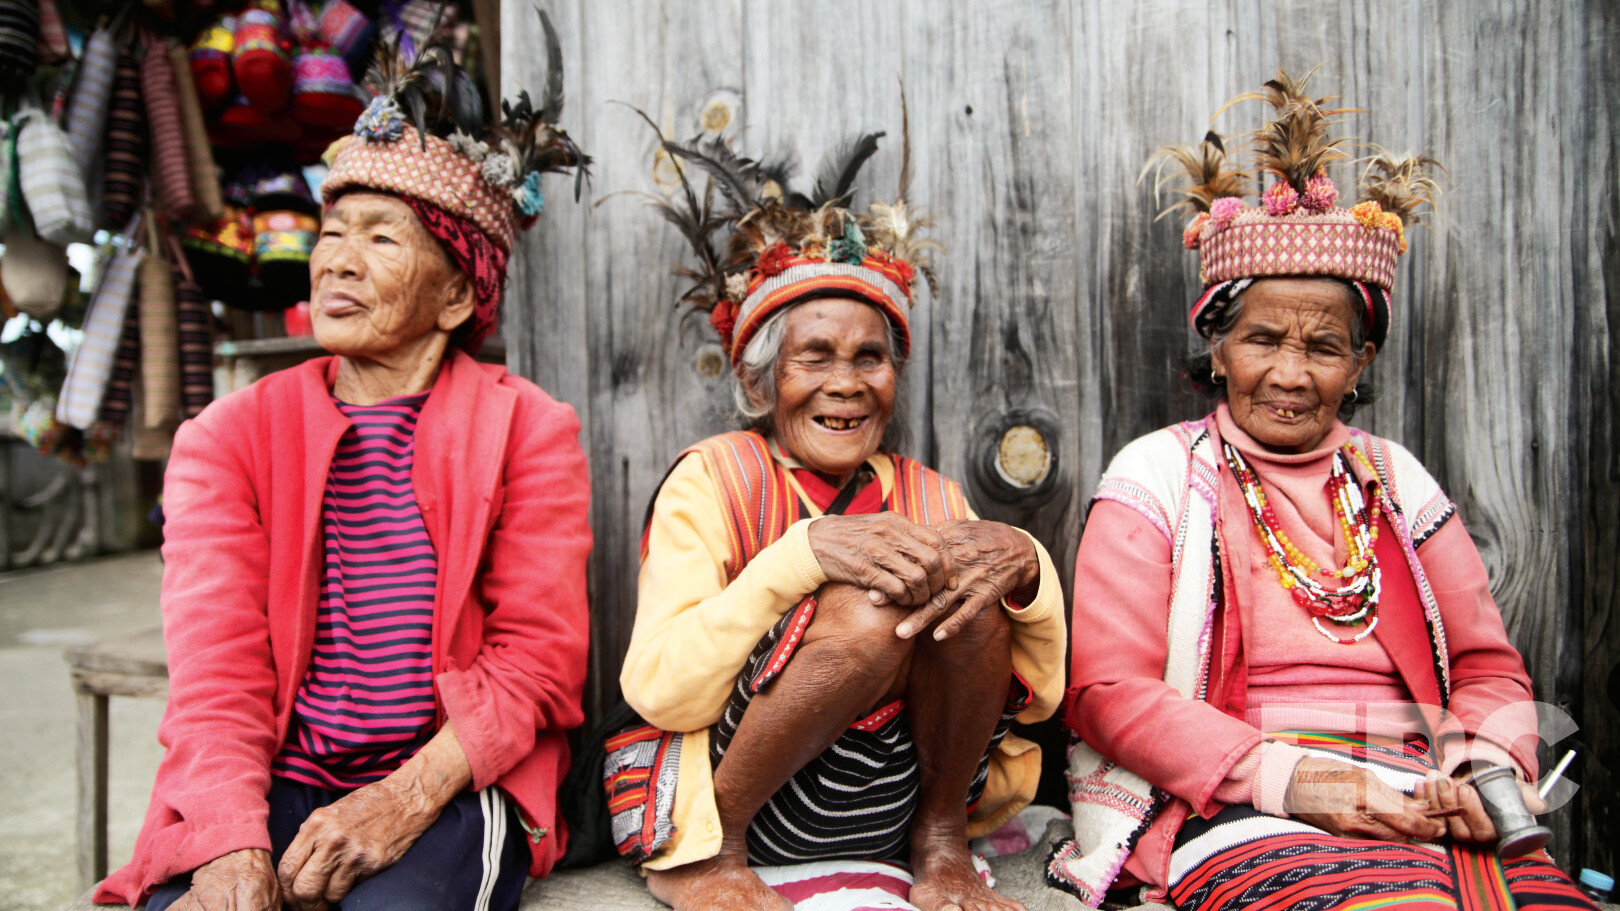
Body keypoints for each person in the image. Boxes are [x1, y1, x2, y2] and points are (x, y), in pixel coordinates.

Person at [1047, 71, 1598, 911]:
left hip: (1418, 785)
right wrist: (1299, 779)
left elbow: (1488, 665)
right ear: (1218, 348)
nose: (1291, 374)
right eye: (1262, 338)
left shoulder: (1396, 476)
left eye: (1325, 347)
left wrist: (1482, 768)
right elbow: (1105, 692)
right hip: (1230, 791)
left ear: (1361, 363)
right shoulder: (1155, 474)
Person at [95, 22, 594, 911]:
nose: (336, 262)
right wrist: (228, 837)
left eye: (381, 240)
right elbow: (217, 671)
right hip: (282, 769)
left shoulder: (527, 427)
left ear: (456, 295)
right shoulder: (225, 437)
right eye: (332, 231)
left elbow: (538, 662)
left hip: (450, 777)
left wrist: (403, 797)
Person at [608, 117, 1067, 911]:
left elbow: (1039, 690)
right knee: (867, 609)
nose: (847, 382)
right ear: (760, 384)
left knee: (970, 584)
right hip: (736, 799)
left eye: (870, 358)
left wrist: (1023, 557)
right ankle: (710, 858)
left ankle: (944, 845)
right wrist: (803, 554)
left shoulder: (927, 491)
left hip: (890, 805)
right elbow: (660, 688)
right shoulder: (712, 478)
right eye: (814, 356)